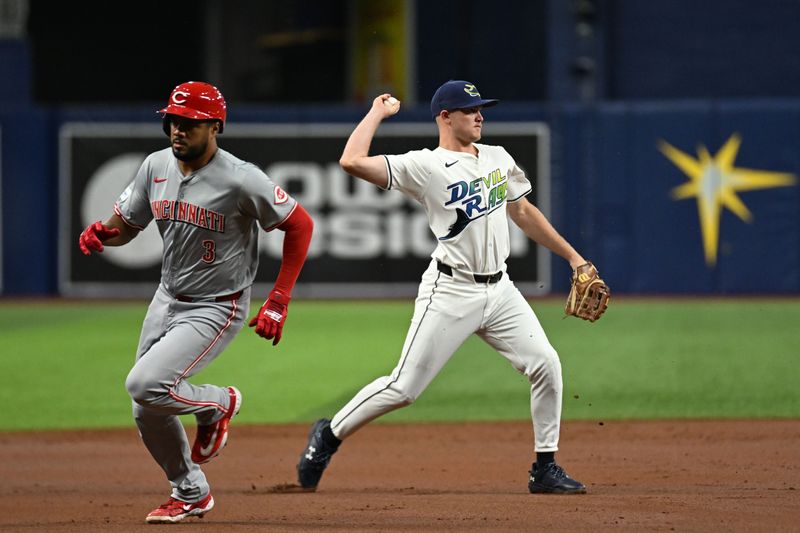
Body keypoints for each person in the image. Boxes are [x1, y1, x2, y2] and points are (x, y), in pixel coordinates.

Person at [297, 80, 599, 495]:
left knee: (546, 364)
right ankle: (328, 435)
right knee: (403, 388)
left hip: (501, 291)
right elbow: (351, 161)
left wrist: (574, 258)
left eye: (481, 108)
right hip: (450, 291)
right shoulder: (426, 165)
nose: (479, 115)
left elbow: (523, 211)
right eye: (469, 109)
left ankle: (545, 467)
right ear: (445, 117)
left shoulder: (497, 156)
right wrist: (377, 114)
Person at [79, 81, 314, 523]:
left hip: (216, 306)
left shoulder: (242, 178)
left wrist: (278, 300)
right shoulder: (155, 166)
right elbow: (128, 223)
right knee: (145, 406)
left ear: (215, 126)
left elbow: (300, 225)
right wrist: (104, 232)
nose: (177, 130)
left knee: (144, 385)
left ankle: (217, 403)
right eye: (172, 120)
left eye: (189, 123)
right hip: (166, 297)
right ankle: (190, 491)